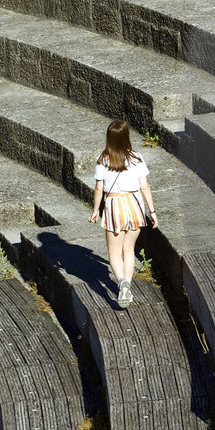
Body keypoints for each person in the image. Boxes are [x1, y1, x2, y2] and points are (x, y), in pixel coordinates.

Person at [88, 119, 158, 308]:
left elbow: (98, 189)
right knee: (129, 250)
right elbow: (145, 186)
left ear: (109, 138)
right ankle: (126, 285)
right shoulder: (137, 158)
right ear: (126, 137)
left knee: (114, 253)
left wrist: (96, 210)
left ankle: (122, 283)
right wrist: (152, 211)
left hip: (114, 206)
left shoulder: (103, 159)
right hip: (134, 205)